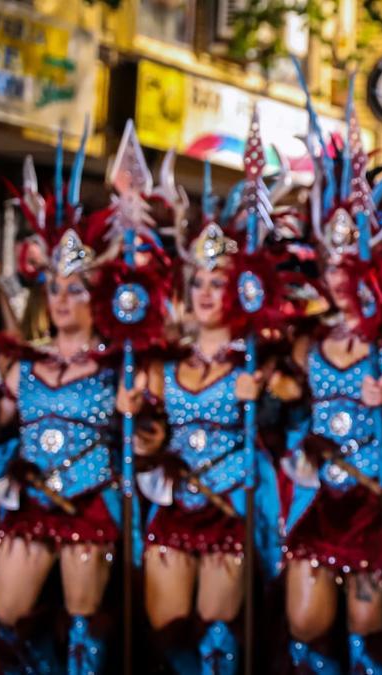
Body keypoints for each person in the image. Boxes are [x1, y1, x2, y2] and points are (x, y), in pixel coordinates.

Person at [0, 156, 129, 674]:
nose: (62, 298)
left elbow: (148, 433)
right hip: (33, 502)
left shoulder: (116, 362)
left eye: (75, 288)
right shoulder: (28, 359)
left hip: (91, 503)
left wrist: (140, 415)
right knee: (6, 611)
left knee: (84, 619)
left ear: (96, 297)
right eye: (54, 287)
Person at [280, 115, 382, 673]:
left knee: (370, 630)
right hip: (321, 498)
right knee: (305, 623)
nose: (340, 273)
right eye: (331, 260)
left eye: (351, 261)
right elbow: (285, 413)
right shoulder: (307, 339)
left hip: (377, 498)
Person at [121, 212, 287, 672]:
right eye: (199, 283)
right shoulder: (162, 363)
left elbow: (289, 427)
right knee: (166, 624)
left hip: (231, 505)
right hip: (174, 504)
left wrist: (264, 399)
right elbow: (147, 442)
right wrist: (132, 419)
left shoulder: (257, 361)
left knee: (219, 627)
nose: (207, 293)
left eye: (219, 282)